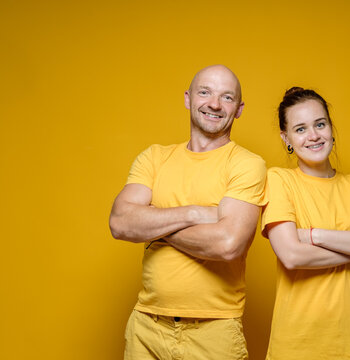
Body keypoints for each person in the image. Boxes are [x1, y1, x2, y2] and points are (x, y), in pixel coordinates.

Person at [109, 65, 266, 360]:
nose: (214, 104)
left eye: (227, 97)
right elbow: (120, 223)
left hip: (215, 331)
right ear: (188, 98)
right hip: (146, 327)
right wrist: (196, 213)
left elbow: (228, 243)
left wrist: (156, 224)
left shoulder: (246, 164)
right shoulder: (154, 157)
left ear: (239, 108)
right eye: (204, 92)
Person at [261, 87, 350, 360]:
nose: (313, 136)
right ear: (286, 138)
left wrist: (312, 235)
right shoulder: (279, 181)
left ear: (331, 127)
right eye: (300, 129)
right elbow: (292, 255)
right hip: (297, 346)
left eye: (320, 124)